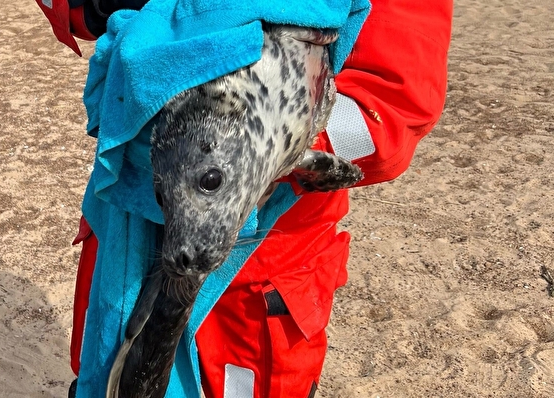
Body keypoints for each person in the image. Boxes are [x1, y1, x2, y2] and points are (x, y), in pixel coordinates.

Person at [35, 0, 453, 397]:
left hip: (261, 272)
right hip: (127, 234)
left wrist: (276, 145)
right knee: (107, 375)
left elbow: (393, 105)